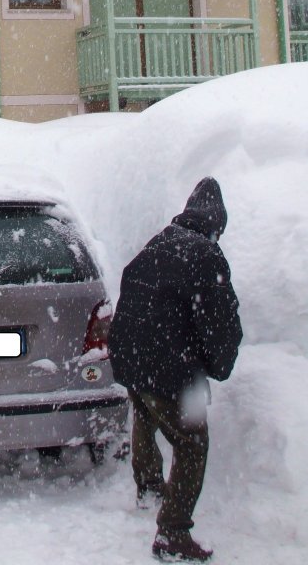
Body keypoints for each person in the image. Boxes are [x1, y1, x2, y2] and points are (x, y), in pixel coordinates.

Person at [108, 177, 242, 563]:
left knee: (146, 411)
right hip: (163, 363)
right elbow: (221, 323)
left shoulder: (160, 241)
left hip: (132, 356)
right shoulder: (206, 255)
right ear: (217, 224)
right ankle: (172, 532)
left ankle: (149, 487)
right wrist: (219, 366)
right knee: (192, 443)